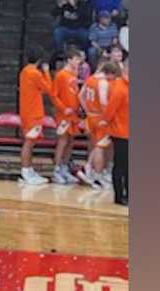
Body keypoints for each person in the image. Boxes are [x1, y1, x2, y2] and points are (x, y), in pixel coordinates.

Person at [17, 47, 54, 185]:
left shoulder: (25, 71)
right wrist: (46, 72)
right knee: (29, 143)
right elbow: (48, 89)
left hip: (27, 111)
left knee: (30, 142)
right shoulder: (35, 73)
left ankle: (28, 170)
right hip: (33, 112)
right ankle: (26, 171)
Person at [50, 48, 86, 185]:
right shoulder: (61, 75)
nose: (79, 62)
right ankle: (56, 170)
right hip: (64, 115)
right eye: (76, 59)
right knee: (63, 141)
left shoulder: (74, 74)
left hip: (74, 114)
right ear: (69, 59)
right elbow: (54, 95)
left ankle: (64, 167)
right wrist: (63, 108)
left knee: (71, 142)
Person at [78, 61, 116, 189]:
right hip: (100, 117)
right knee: (100, 147)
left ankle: (89, 168)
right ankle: (97, 176)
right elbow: (104, 102)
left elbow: (80, 96)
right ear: (110, 73)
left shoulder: (90, 79)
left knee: (96, 146)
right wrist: (108, 117)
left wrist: (87, 110)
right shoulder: (103, 82)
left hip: (91, 116)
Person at [103, 60, 130, 205]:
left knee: (128, 165)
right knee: (121, 165)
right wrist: (107, 124)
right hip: (120, 133)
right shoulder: (120, 88)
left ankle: (129, 193)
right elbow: (109, 111)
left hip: (128, 131)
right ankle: (119, 196)